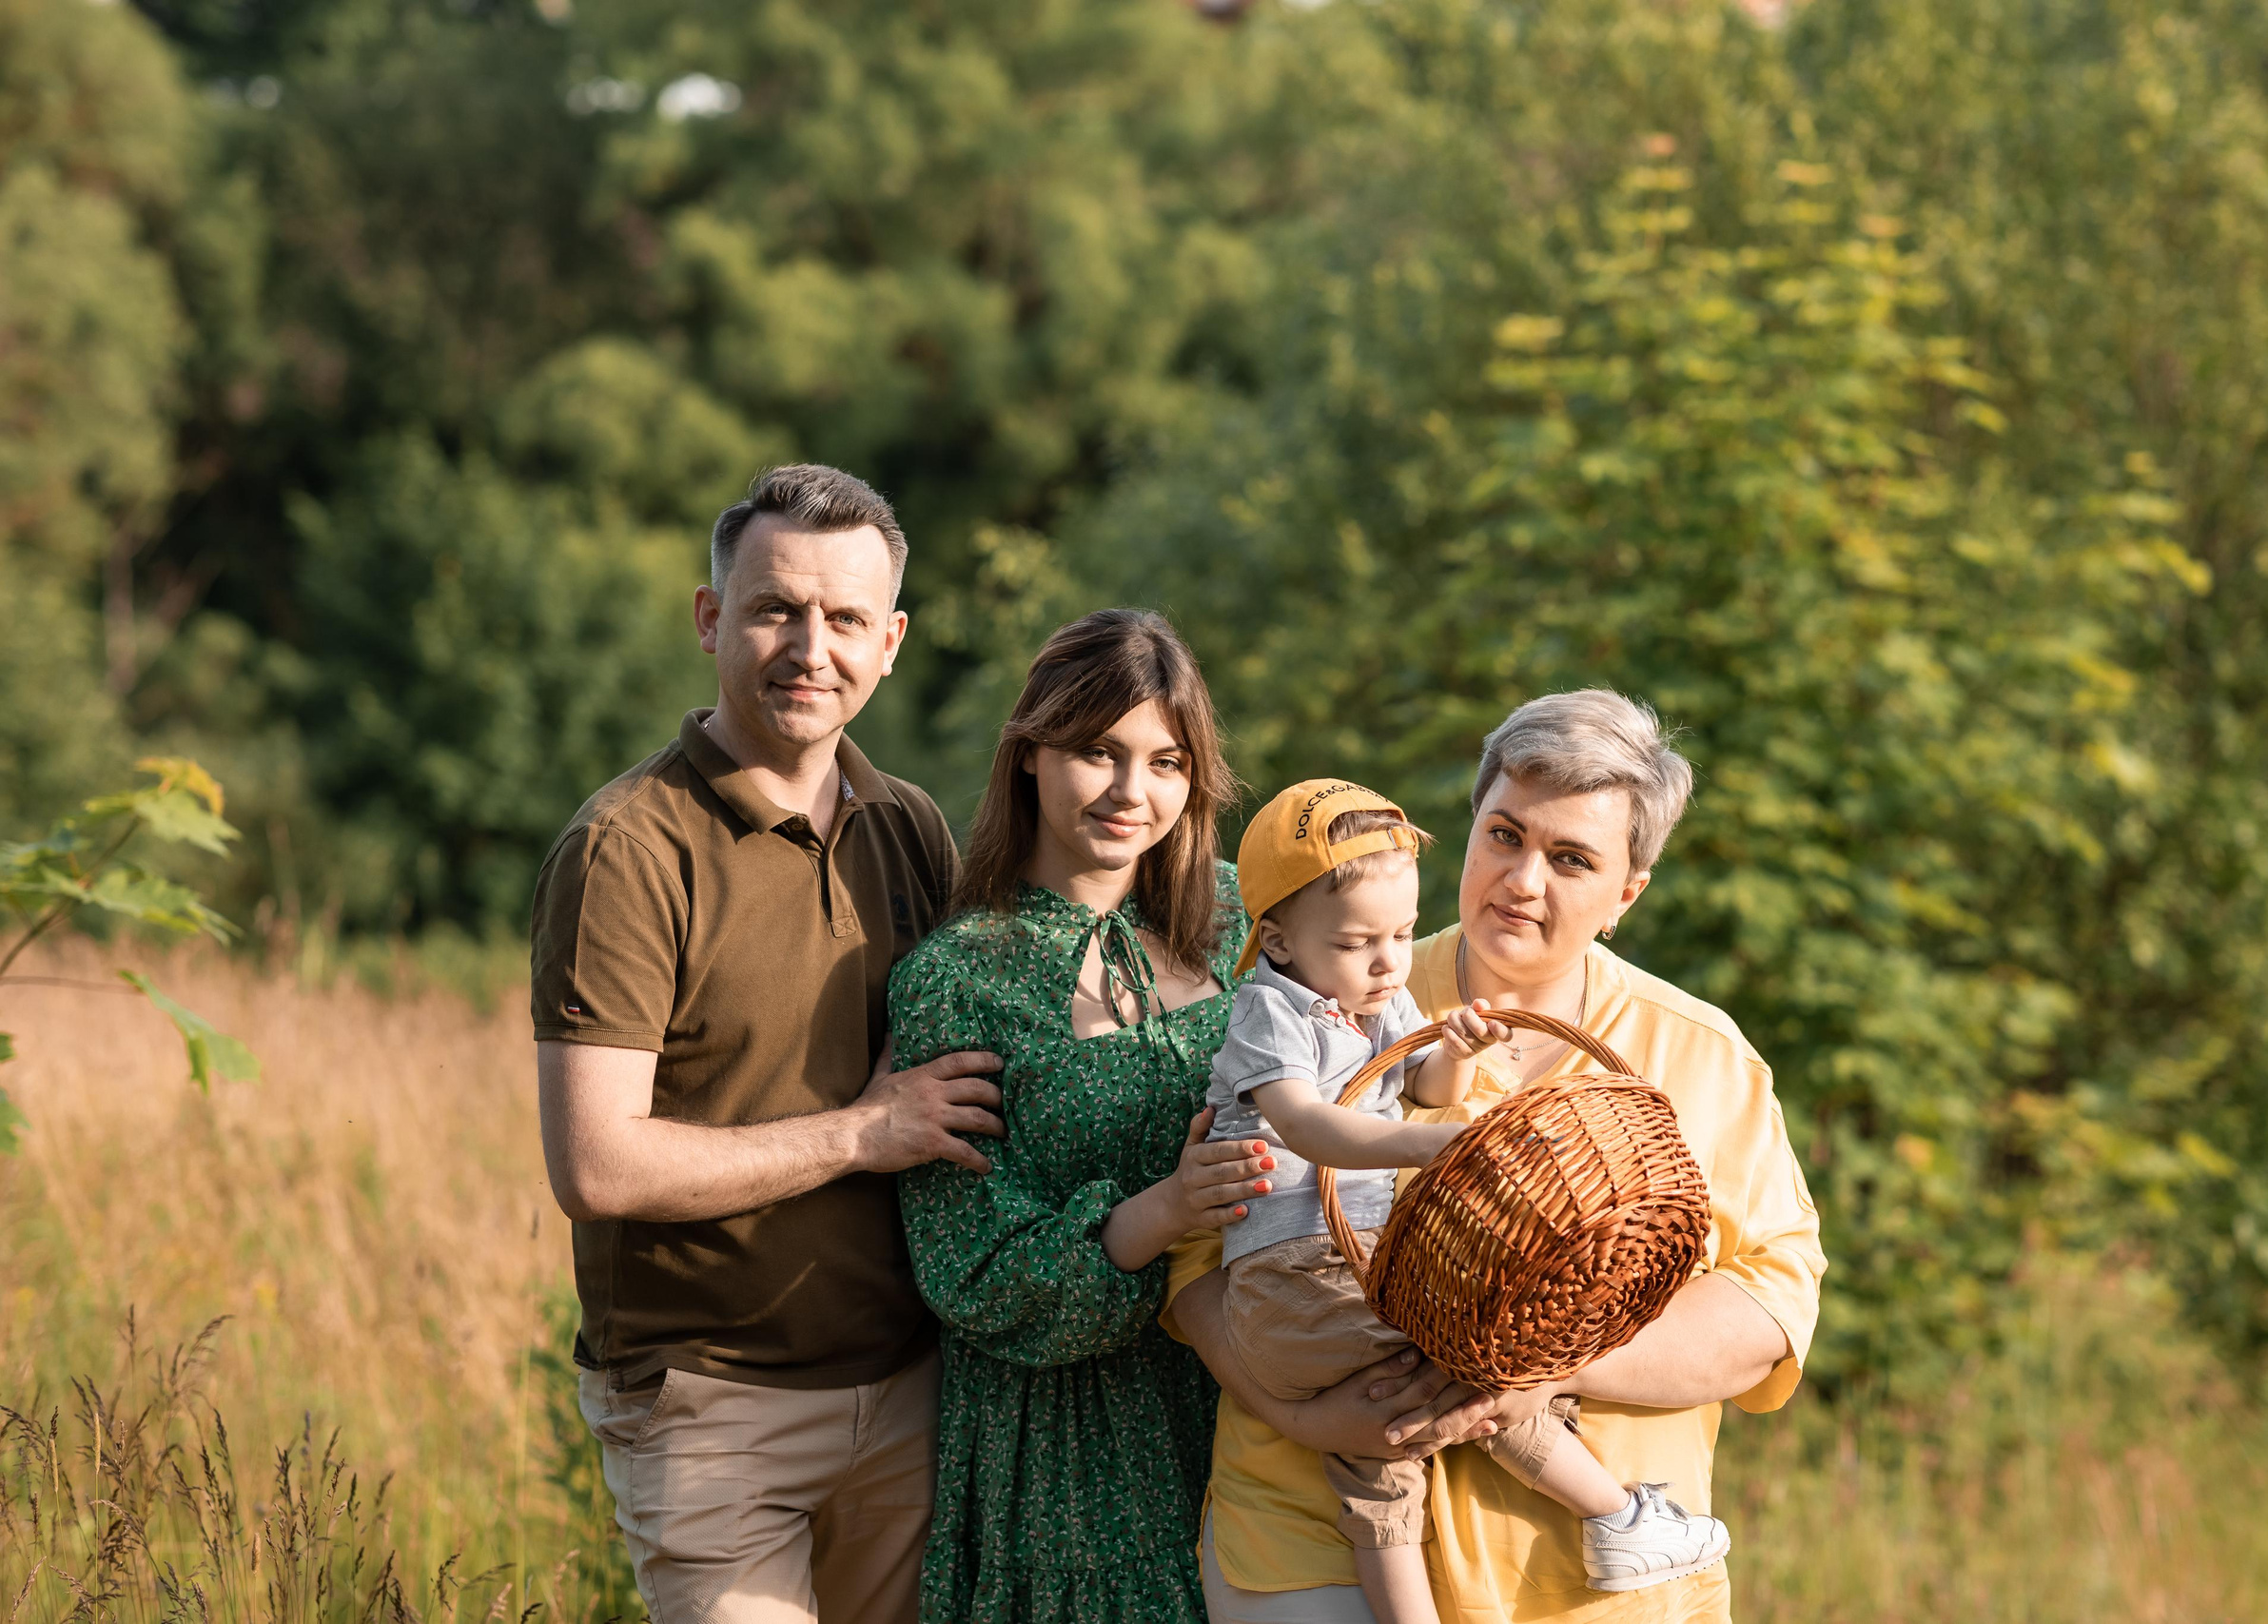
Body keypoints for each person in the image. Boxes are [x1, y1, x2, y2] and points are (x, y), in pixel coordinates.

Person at [1167, 689, 1828, 1624]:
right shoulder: (1334, 982)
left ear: (1624, 896)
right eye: (1505, 835)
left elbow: (1770, 1304)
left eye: (1570, 859)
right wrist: (1304, 1410)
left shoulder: (1698, 1053)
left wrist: (1539, 1360)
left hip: (1578, 1590)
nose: (1522, 880)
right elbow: (1198, 1252)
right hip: (1309, 1541)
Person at [530, 464, 1008, 1624]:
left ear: (889, 641)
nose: (810, 647)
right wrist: (862, 1132)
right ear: (710, 620)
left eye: (845, 619)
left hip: (907, 1395)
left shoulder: (908, 825)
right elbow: (597, 1167)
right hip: (710, 1408)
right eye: (773, 609)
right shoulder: (628, 850)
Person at [884, 609, 1278, 1624]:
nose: (1130, 793)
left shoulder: (1249, 924)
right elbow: (968, 1265)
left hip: (1261, 1400)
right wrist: (1166, 1209)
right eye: (1097, 753)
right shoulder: (959, 975)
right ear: (1029, 755)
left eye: (1165, 761)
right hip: (1069, 1445)